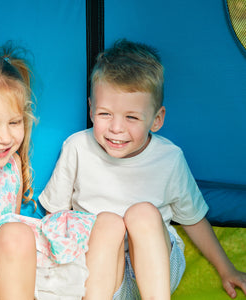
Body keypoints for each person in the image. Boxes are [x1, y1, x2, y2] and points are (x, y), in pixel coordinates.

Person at [39, 39, 246, 299]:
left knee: (142, 213)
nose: (116, 128)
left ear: (156, 119)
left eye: (132, 117)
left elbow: (193, 218)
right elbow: (54, 215)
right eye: (105, 114)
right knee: (108, 223)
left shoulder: (168, 158)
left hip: (156, 272)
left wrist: (227, 269)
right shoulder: (77, 147)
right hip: (99, 276)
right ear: (91, 109)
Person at [0, 45, 99, 300]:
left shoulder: (12, 164)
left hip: (12, 272)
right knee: (15, 235)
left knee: (94, 225)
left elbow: (12, 221)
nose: (5, 137)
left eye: (15, 122)